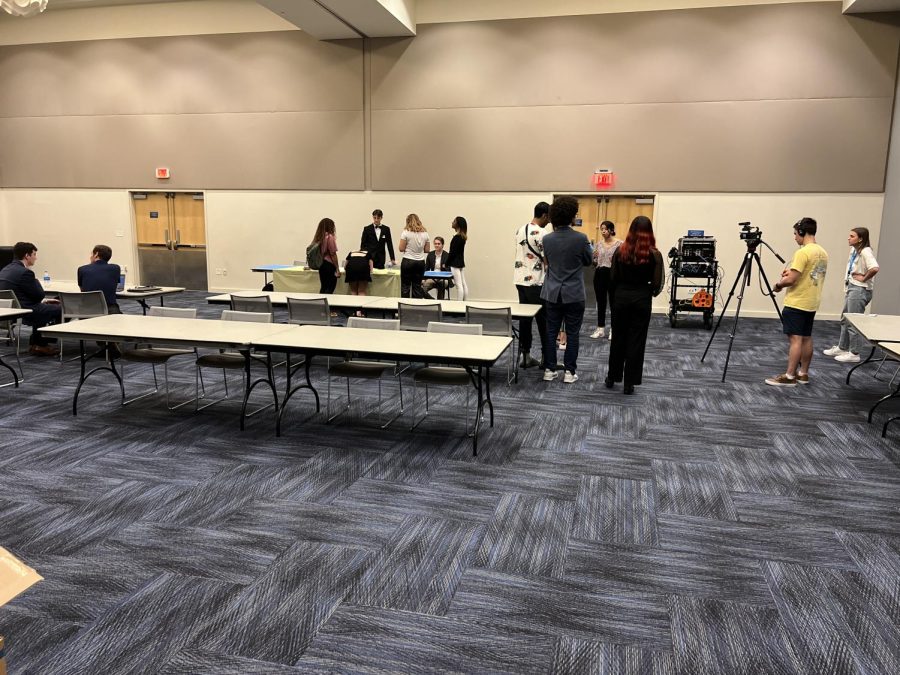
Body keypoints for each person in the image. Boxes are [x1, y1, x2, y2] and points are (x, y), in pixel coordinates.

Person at [605, 216, 664, 395]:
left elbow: (612, 278)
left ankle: (612, 377)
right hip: (641, 299)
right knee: (636, 341)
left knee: (618, 339)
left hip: (621, 298)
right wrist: (647, 293)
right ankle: (629, 382)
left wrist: (617, 296)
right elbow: (656, 284)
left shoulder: (619, 251)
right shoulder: (654, 254)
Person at [766, 217, 829, 387]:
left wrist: (778, 285)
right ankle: (803, 374)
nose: (794, 237)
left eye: (795, 234)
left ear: (802, 232)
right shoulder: (822, 252)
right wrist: (793, 274)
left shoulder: (802, 252)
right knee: (807, 338)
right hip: (812, 301)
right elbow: (808, 274)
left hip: (797, 302)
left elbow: (792, 280)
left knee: (795, 340)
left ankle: (789, 376)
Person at [540, 196, 593, 384]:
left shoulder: (546, 239)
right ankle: (569, 372)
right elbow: (588, 260)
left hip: (552, 293)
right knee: (573, 333)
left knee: (550, 332)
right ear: (572, 215)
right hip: (574, 293)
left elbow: (548, 261)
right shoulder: (581, 238)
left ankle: (549, 369)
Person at [823, 227, 879, 363]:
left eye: (852, 236)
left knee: (853, 321)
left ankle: (854, 353)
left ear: (860, 239)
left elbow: (875, 268)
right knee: (845, 319)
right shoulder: (854, 250)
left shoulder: (866, 251)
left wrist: (864, 278)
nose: (849, 238)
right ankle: (843, 347)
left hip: (860, 290)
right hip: (852, 287)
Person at [0, 241, 61, 355]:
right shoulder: (25, 273)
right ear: (27, 256)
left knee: (44, 306)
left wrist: (44, 301)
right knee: (60, 309)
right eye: (34, 254)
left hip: (11, 309)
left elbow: (22, 294)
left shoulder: (5, 269)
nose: (36, 258)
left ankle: (36, 343)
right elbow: (39, 295)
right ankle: (42, 343)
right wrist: (36, 281)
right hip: (25, 310)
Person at [514, 201, 550, 368]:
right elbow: (546, 259)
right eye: (548, 217)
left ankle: (525, 355)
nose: (549, 221)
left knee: (525, 320)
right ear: (544, 215)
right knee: (543, 320)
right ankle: (546, 357)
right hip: (536, 281)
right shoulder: (542, 233)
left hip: (520, 279)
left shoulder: (520, 230)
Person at [591, 220, 621, 340]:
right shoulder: (598, 244)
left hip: (613, 275)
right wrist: (594, 258)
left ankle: (614, 330)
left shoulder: (620, 244)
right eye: (601, 229)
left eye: (605, 229)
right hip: (599, 274)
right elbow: (594, 261)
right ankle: (600, 328)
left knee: (614, 303)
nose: (603, 231)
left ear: (611, 230)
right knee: (601, 302)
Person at [78, 244, 122, 314]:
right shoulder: (115, 268)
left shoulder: (82, 269)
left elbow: (83, 290)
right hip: (109, 311)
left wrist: (91, 263)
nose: (90, 256)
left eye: (92, 254)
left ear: (96, 254)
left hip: (86, 312)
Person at [399, 213, 430, 298]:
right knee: (417, 286)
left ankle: (404, 308)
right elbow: (427, 250)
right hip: (420, 262)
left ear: (408, 221)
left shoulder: (405, 232)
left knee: (405, 286)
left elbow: (401, 248)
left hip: (408, 261)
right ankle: (416, 309)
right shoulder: (425, 233)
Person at [312, 218, 340, 294]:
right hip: (329, 265)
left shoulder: (319, 238)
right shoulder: (330, 237)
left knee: (323, 287)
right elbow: (333, 254)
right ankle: (327, 304)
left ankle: (321, 304)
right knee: (330, 288)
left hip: (321, 265)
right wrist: (337, 268)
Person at [447, 216, 469, 300]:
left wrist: (447, 263)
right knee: (463, 284)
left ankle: (459, 306)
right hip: (460, 263)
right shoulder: (462, 237)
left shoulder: (456, 238)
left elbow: (452, 253)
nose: (452, 222)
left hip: (455, 264)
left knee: (459, 286)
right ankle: (465, 303)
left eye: (454, 221)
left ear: (458, 224)